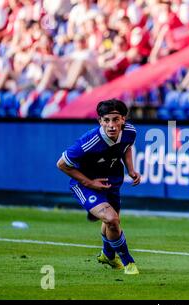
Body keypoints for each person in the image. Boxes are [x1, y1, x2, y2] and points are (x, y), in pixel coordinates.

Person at [56, 99, 141, 275]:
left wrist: (131, 169)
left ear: (123, 119)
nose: (111, 125)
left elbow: (126, 147)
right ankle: (128, 261)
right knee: (111, 219)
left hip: (112, 182)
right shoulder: (90, 141)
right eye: (106, 120)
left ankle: (107, 255)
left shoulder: (130, 132)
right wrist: (89, 182)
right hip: (85, 184)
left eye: (116, 119)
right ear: (100, 121)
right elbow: (62, 164)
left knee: (112, 223)